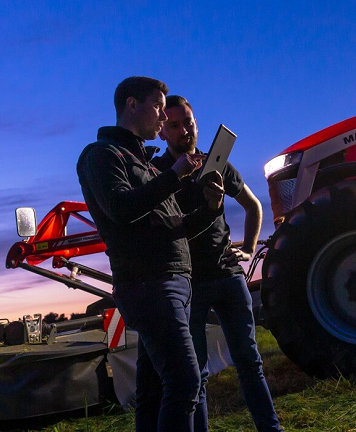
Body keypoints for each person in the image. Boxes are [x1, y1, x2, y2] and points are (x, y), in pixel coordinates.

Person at [77, 77, 225, 432]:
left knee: (155, 389)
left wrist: (209, 208)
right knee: (186, 381)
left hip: (173, 283)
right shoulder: (101, 155)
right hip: (149, 285)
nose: (163, 116)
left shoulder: (145, 164)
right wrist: (174, 176)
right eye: (158, 106)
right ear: (131, 104)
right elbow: (120, 208)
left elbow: (176, 229)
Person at [153, 95, 282, 432]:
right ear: (162, 132)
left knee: (250, 364)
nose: (185, 131)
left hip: (227, 276)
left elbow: (254, 206)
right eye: (175, 125)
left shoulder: (216, 162)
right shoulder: (160, 175)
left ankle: (271, 429)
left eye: (189, 122)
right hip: (188, 284)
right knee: (195, 377)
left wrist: (248, 248)